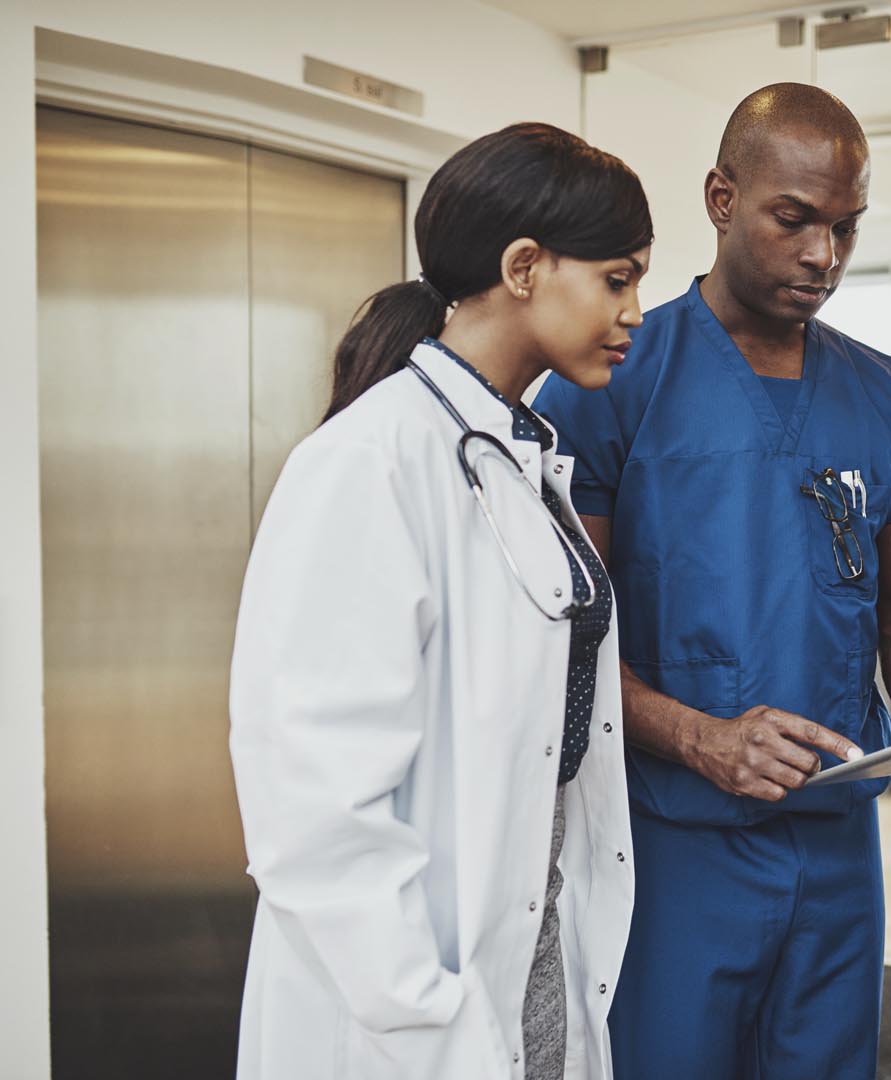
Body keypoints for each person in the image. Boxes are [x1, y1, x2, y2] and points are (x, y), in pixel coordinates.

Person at [533, 82, 891, 1079]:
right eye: (794, 220)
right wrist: (700, 738)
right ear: (720, 198)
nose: (822, 255)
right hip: (675, 842)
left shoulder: (882, 393)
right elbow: (561, 644)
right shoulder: (617, 379)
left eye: (844, 227)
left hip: (838, 847)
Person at [227, 123, 652, 1080]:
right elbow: (313, 803)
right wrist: (427, 1016)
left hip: (526, 949)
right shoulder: (368, 461)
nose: (635, 311)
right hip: (407, 1001)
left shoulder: (516, 456)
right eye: (618, 279)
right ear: (526, 267)